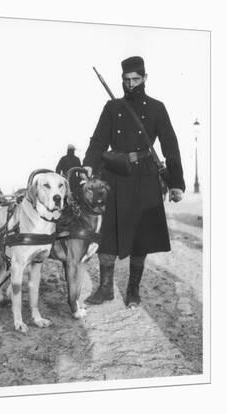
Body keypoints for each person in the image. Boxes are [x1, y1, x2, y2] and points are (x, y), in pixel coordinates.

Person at [82, 56, 185, 308]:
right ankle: (106, 288)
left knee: (141, 235)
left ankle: (133, 289)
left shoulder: (157, 108)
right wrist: (88, 164)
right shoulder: (112, 107)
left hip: (145, 177)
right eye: (126, 80)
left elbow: (170, 146)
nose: (130, 84)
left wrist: (176, 182)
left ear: (145, 78)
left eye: (135, 79)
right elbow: (98, 141)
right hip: (115, 177)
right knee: (107, 234)